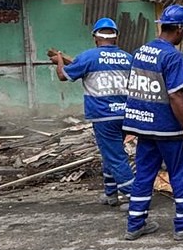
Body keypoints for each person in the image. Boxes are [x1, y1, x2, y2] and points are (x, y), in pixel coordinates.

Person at [121, 4, 183, 242]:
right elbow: (175, 95)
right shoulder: (173, 56)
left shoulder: (142, 51)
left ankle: (135, 224)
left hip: (144, 127)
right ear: (180, 29)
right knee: (181, 175)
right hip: (167, 128)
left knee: (144, 175)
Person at [49, 17, 135, 206]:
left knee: (115, 156)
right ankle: (111, 193)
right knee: (109, 154)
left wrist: (59, 60)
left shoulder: (88, 57)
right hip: (126, 115)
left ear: (95, 38)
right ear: (116, 38)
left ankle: (134, 197)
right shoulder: (128, 58)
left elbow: (63, 76)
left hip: (104, 116)